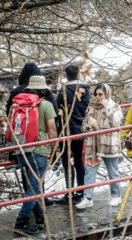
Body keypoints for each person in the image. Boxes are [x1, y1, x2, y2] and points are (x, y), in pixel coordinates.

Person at [6, 62, 57, 206]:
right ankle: (39, 200)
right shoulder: (44, 92)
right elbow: (54, 111)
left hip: (20, 140)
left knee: (26, 174)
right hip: (39, 141)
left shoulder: (16, 92)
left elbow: (8, 114)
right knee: (38, 174)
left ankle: (30, 201)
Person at [13, 76, 57, 235]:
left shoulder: (17, 104)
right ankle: (21, 223)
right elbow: (52, 130)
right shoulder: (46, 105)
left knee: (33, 187)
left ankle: (40, 220)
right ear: (43, 89)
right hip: (38, 151)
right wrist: (55, 150)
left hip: (21, 150)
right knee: (35, 188)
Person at [76, 84, 123, 209]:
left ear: (107, 94)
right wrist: (87, 127)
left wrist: (107, 108)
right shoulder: (93, 108)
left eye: (100, 94)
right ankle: (87, 197)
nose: (98, 97)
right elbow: (84, 124)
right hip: (94, 145)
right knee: (90, 171)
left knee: (112, 171)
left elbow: (117, 122)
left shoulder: (115, 107)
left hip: (108, 145)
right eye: (96, 94)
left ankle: (116, 196)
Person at [55, 64, 90, 204]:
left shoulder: (64, 90)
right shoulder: (86, 90)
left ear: (65, 75)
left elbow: (57, 109)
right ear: (79, 74)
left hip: (66, 130)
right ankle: (81, 191)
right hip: (80, 129)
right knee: (78, 161)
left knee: (67, 163)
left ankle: (69, 194)